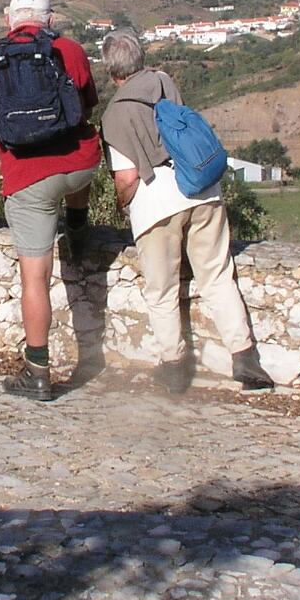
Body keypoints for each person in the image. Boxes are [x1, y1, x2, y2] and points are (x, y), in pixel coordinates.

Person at [98, 28, 274, 395]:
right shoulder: (165, 81)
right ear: (141, 57)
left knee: (161, 290)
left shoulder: (114, 114)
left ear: (110, 71)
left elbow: (127, 177)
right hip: (202, 190)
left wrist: (121, 204)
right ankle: (245, 359)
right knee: (218, 277)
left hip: (156, 203)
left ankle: (174, 368)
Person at [0, 0, 100, 401]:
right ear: (50, 19)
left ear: (9, 20)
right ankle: (78, 224)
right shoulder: (71, 50)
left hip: (27, 177)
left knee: (34, 276)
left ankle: (38, 371)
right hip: (79, 167)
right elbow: (86, 109)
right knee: (78, 167)